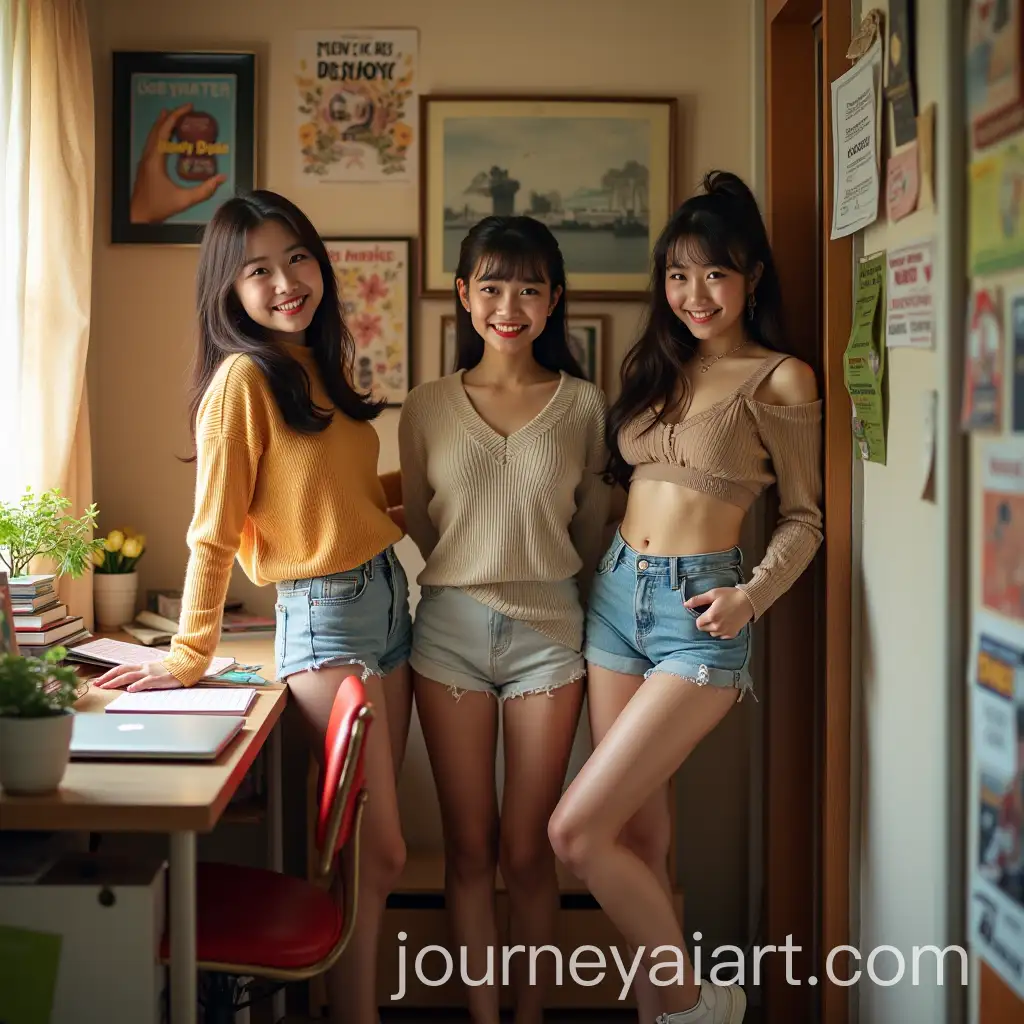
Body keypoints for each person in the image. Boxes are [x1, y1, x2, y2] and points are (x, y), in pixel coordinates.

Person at [94, 189, 411, 1024]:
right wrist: (188, 656)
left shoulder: (315, 364)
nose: (284, 282)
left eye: (296, 258)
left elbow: (337, 497)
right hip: (327, 614)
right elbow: (214, 529)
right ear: (227, 291)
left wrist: (439, 490)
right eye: (257, 271)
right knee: (375, 850)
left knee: (369, 857)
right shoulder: (243, 377)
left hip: (385, 599)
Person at [547, 170, 823, 1024]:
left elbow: (807, 518)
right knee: (638, 839)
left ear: (752, 279)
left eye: (714, 274)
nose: (694, 294)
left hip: (702, 615)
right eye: (677, 274)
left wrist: (750, 598)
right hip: (615, 597)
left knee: (575, 834)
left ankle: (698, 1002)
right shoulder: (656, 367)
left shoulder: (779, 378)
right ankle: (662, 1012)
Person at [398, 215, 611, 1023]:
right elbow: (423, 519)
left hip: (549, 637)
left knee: (529, 852)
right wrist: (474, 570)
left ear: (554, 299)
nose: (509, 305)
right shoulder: (426, 406)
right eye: (491, 286)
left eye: (528, 287)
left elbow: (590, 529)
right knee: (469, 849)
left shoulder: (585, 406)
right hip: (447, 632)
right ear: (463, 295)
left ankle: (530, 1016)